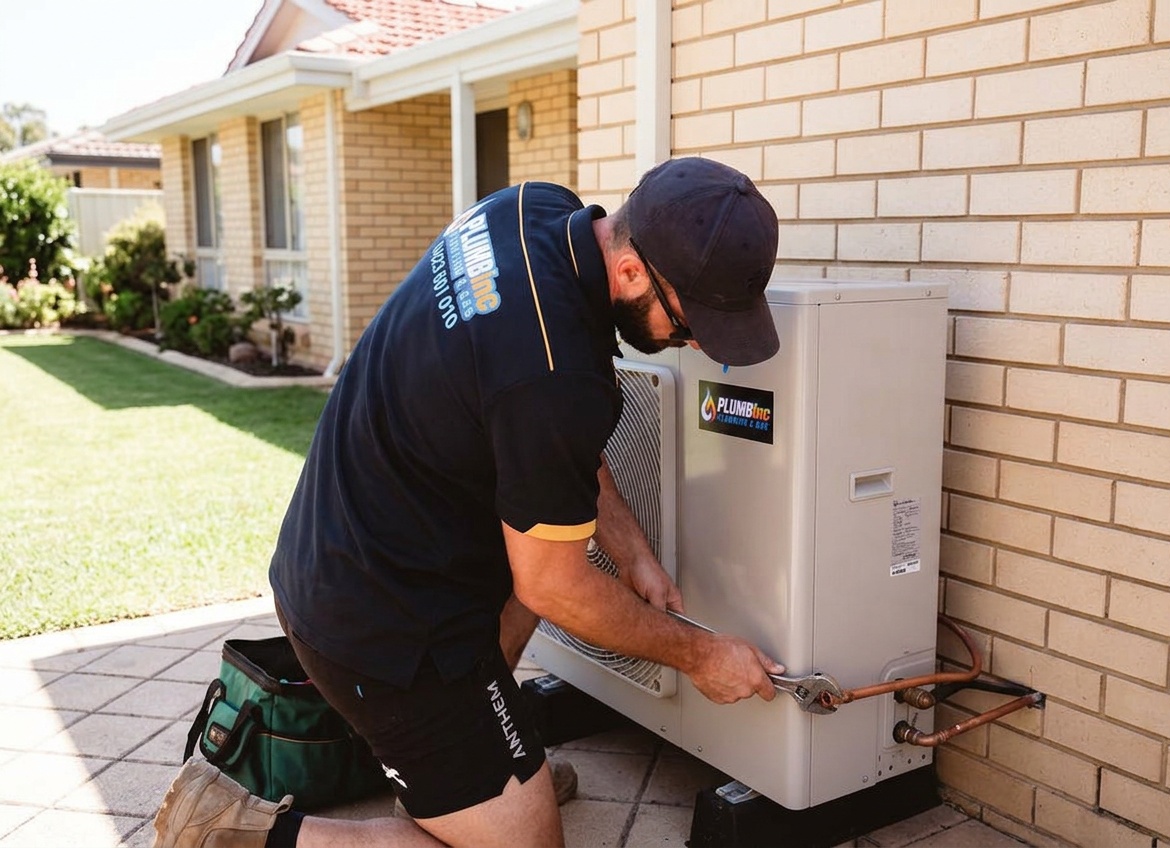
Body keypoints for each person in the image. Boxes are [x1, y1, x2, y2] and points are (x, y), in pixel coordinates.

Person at [153, 156, 784, 848]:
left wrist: (633, 553)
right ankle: (230, 829)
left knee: (535, 562)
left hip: (343, 551)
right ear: (633, 272)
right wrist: (700, 655)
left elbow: (554, 448)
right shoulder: (554, 375)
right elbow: (556, 587)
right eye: (690, 326)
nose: (692, 344)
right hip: (379, 628)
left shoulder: (535, 210)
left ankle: (477, 778)